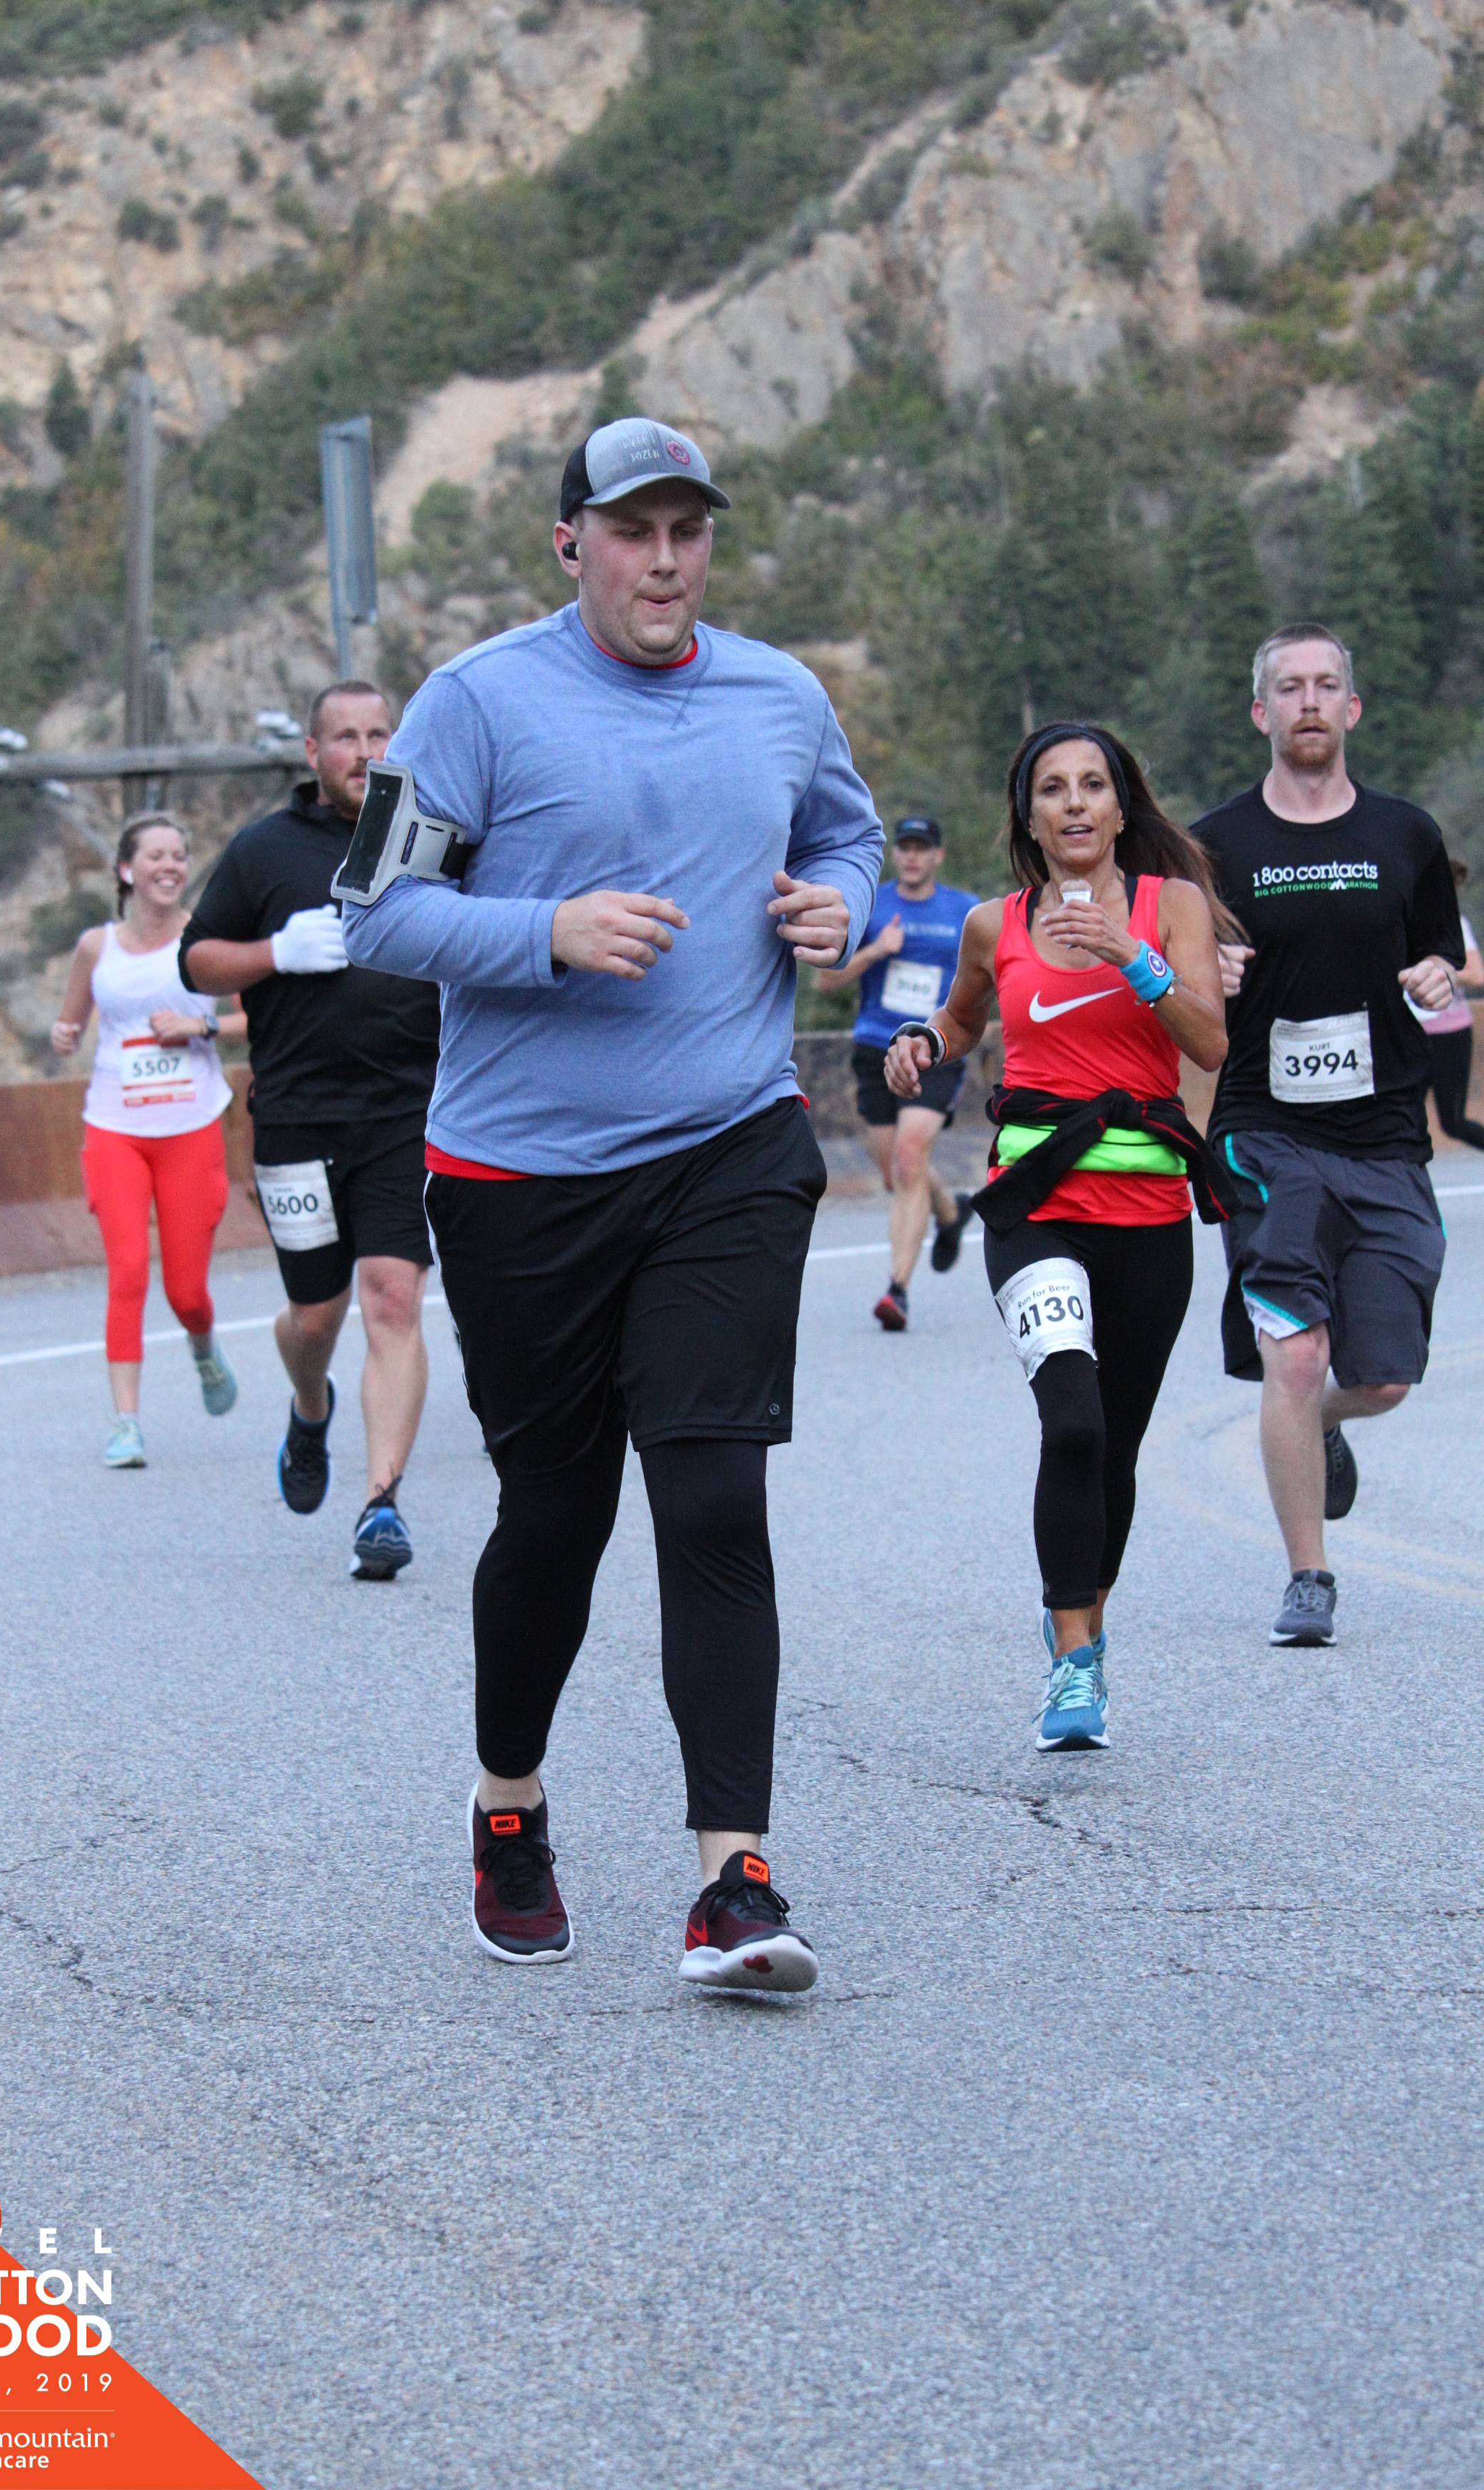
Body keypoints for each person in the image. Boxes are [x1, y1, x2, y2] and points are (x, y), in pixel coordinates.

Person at [340, 416, 882, 1988]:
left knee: (712, 1499)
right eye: (631, 531)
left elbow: (844, 831)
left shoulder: (779, 696)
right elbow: (374, 913)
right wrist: (545, 932)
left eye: (686, 530)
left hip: (728, 1145)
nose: (662, 560)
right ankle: (508, 1805)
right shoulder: (475, 702)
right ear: (570, 542)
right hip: (522, 1179)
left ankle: (734, 1883)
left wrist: (836, 900)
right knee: (557, 1516)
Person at [886, 725, 1234, 1751]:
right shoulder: (992, 925)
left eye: (1093, 786)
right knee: (1073, 1422)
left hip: (1149, 1212)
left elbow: (1211, 1042)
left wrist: (1134, 959)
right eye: (1052, 789)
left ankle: (1086, 1620)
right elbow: (961, 1020)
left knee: (1114, 1445)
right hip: (1036, 1202)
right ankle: (1072, 1660)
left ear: (1122, 808)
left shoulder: (1172, 907)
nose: (1074, 803)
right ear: (1029, 816)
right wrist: (925, 1042)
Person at [1196, 625, 1465, 1648]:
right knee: (1298, 1354)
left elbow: (1440, 950)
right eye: (1288, 687)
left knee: (1384, 1376)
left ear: (1352, 707)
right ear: (1260, 711)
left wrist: (1438, 974)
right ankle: (1309, 1574)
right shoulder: (1214, 846)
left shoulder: (1407, 834)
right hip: (1264, 1131)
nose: (1308, 702)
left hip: (1386, 1132)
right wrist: (1205, 971)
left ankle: (1310, 1429)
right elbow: (1170, 971)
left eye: (1325, 686)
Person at [179, 682, 440, 1579]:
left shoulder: (431, 841)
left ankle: (381, 1503)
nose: (365, 752)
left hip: (408, 1112)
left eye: (379, 735)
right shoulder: (266, 849)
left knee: (392, 1297)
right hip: (296, 1119)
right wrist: (274, 953)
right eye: (346, 738)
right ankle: (309, 1406)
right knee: (316, 1316)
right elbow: (197, 961)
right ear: (313, 753)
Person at [52, 814, 246, 1468]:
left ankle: (203, 1345)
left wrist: (199, 1026)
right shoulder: (95, 947)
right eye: (156, 856)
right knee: (129, 1270)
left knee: (185, 1291)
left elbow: (255, 1016)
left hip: (190, 1126)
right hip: (115, 1126)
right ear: (126, 870)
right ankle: (126, 1424)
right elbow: (69, 1023)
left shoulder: (205, 941)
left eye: (179, 856)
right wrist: (62, 1035)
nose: (170, 866)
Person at [816, 814, 979, 1328]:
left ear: (938, 856)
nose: (911, 856)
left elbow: (989, 976)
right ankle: (950, 1212)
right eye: (904, 847)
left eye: (921, 847)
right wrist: (876, 951)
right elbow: (825, 981)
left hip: (934, 1047)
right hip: (875, 1047)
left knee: (911, 1156)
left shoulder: (965, 911)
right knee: (897, 1173)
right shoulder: (872, 905)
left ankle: (897, 1290)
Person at [1416, 857, 1484, 1150]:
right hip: (1409, 1034)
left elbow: (1476, 975)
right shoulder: (1396, 922)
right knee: (1402, 1119)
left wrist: (1433, 974)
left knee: (1453, 1122)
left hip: (1449, 1034)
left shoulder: (1454, 924)